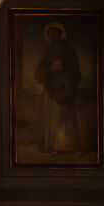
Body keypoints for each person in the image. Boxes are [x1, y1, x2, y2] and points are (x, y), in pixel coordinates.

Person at [34, 19, 84, 157]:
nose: (52, 37)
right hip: (53, 90)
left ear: (60, 35)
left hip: (66, 90)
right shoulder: (48, 52)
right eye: (50, 35)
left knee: (67, 120)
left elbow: (75, 71)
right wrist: (50, 69)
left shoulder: (69, 50)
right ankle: (56, 146)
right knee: (54, 120)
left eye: (55, 34)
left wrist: (65, 81)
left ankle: (70, 147)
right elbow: (40, 70)